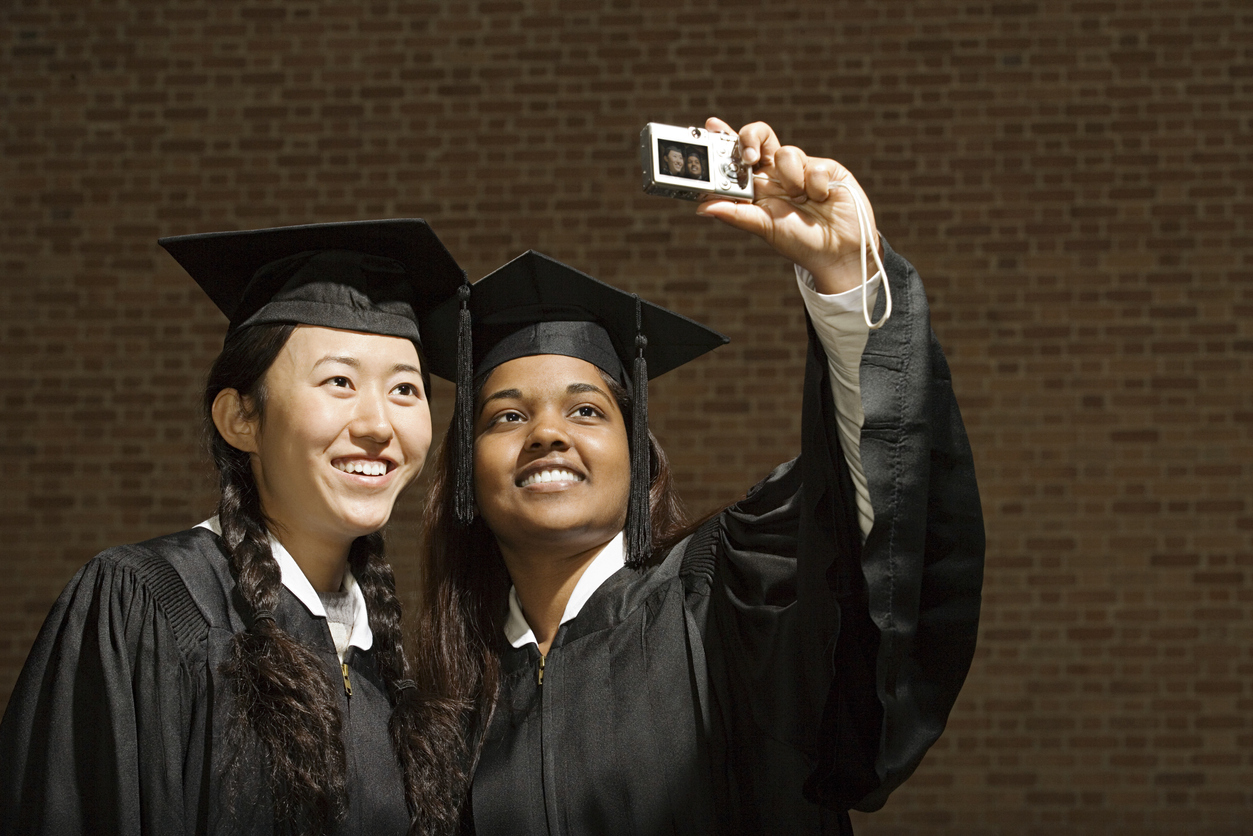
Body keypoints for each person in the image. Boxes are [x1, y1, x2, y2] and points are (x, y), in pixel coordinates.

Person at [411, 118, 985, 835]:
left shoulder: (731, 600)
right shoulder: (443, 703)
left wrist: (846, 276)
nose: (547, 433)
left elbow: (881, 529)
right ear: (464, 470)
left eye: (587, 410)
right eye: (504, 417)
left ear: (637, 455)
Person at [0, 220, 467, 835]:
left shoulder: (390, 668)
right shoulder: (147, 608)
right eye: (339, 382)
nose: (378, 423)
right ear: (240, 417)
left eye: (405, 389)